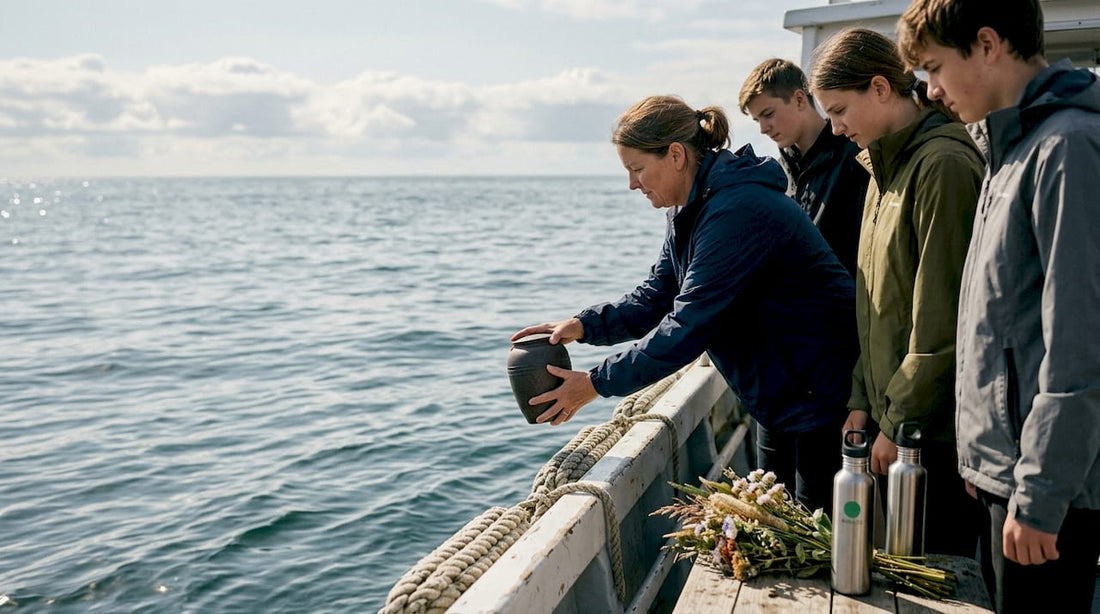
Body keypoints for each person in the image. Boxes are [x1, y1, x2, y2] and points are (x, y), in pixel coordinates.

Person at [511, 95, 857, 514]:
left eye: (637, 169)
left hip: (822, 397)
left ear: (675, 155)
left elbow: (688, 326)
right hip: (780, 396)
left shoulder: (737, 210)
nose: (633, 184)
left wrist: (594, 384)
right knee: (782, 524)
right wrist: (583, 326)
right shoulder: (692, 207)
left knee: (816, 539)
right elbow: (657, 294)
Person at [897, 2, 1100, 611]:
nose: (930, 91)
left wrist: (1038, 493)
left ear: (988, 44)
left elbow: (1080, 344)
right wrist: (979, 455)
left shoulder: (1068, 150)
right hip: (1007, 473)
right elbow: (999, 323)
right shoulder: (1005, 150)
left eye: (934, 67)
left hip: (1050, 493)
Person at [808, 28, 986, 558]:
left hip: (931, 438)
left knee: (934, 580)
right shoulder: (879, 172)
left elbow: (944, 322)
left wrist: (896, 423)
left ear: (882, 89)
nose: (836, 130)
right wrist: (862, 400)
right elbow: (875, 308)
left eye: (840, 111)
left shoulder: (943, 167)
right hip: (895, 427)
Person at [739, 58, 868, 277]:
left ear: (799, 99)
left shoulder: (854, 158)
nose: (763, 129)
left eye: (768, 114)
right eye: (757, 120)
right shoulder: (778, 174)